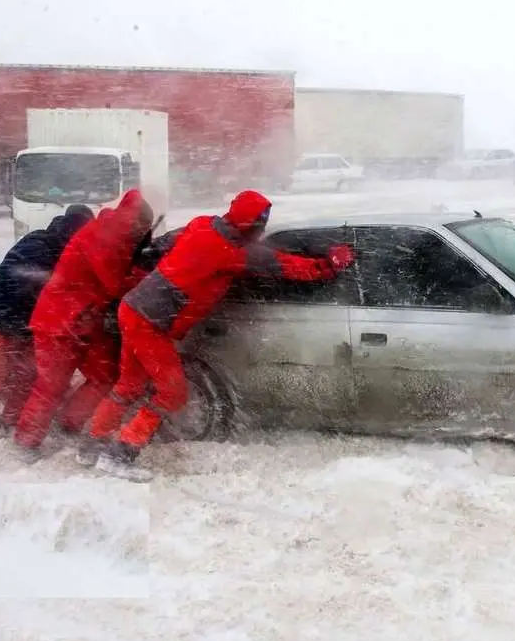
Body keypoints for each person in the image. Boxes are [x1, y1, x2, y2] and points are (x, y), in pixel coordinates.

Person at [84, 189, 355, 481]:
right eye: (260, 223)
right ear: (250, 224)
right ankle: (120, 454)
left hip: (134, 308)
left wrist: (144, 257)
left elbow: (165, 243)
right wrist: (328, 265)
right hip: (151, 324)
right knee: (173, 394)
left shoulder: (203, 224)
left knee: (129, 386)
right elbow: (285, 266)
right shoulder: (234, 252)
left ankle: (91, 445)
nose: (262, 228)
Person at [11, 189, 155, 460]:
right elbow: (113, 284)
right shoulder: (101, 237)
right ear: (130, 221)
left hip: (86, 321)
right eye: (141, 227)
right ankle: (25, 443)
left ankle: (70, 423)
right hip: (58, 321)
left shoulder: (117, 235)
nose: (142, 232)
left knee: (105, 375)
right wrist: (144, 274)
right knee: (51, 386)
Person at [0, 204, 95, 439]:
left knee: (26, 372)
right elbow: (26, 280)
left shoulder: (52, 243)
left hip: (25, 323)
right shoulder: (39, 246)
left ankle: (10, 419)